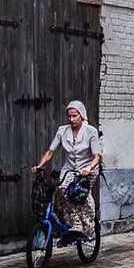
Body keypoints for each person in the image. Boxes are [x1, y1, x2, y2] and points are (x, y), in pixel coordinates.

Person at [32, 100, 102, 240]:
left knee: (78, 194)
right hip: (69, 169)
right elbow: (50, 152)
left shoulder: (91, 132)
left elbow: (97, 157)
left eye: (75, 116)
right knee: (63, 191)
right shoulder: (62, 131)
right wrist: (40, 166)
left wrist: (88, 168)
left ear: (81, 115)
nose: (71, 119)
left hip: (87, 170)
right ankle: (73, 225)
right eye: (69, 116)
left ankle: (88, 226)